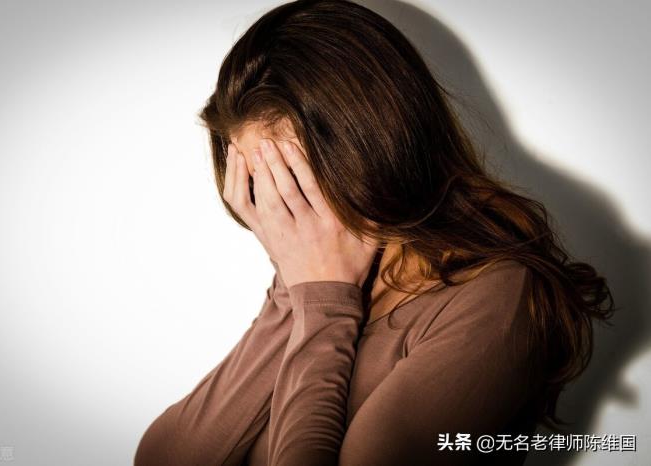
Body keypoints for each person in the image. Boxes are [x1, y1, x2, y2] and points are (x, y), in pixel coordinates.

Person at [134, 1, 616, 464]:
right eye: (261, 182)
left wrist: (324, 301)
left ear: (377, 149)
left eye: (293, 178)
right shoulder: (314, 269)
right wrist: (294, 291)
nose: (279, 208)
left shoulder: (498, 298)